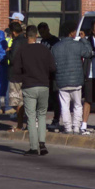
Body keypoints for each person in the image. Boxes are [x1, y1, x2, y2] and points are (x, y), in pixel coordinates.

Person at [11, 25, 57, 155]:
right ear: (36, 35)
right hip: (43, 86)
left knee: (31, 117)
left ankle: (33, 147)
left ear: (26, 36)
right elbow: (53, 68)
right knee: (41, 115)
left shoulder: (22, 50)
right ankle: (42, 144)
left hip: (29, 86)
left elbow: (16, 69)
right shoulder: (44, 49)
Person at [50, 22, 92, 135]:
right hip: (76, 80)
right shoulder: (77, 45)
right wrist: (84, 40)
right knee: (78, 104)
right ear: (72, 33)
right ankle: (76, 127)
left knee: (64, 105)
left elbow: (52, 64)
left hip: (61, 80)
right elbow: (88, 53)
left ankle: (67, 128)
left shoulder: (55, 47)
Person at [4, 22, 25, 132]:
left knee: (18, 102)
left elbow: (12, 59)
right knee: (25, 101)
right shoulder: (26, 40)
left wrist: (8, 51)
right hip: (25, 74)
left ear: (13, 32)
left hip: (16, 75)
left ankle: (19, 125)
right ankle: (24, 124)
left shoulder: (16, 42)